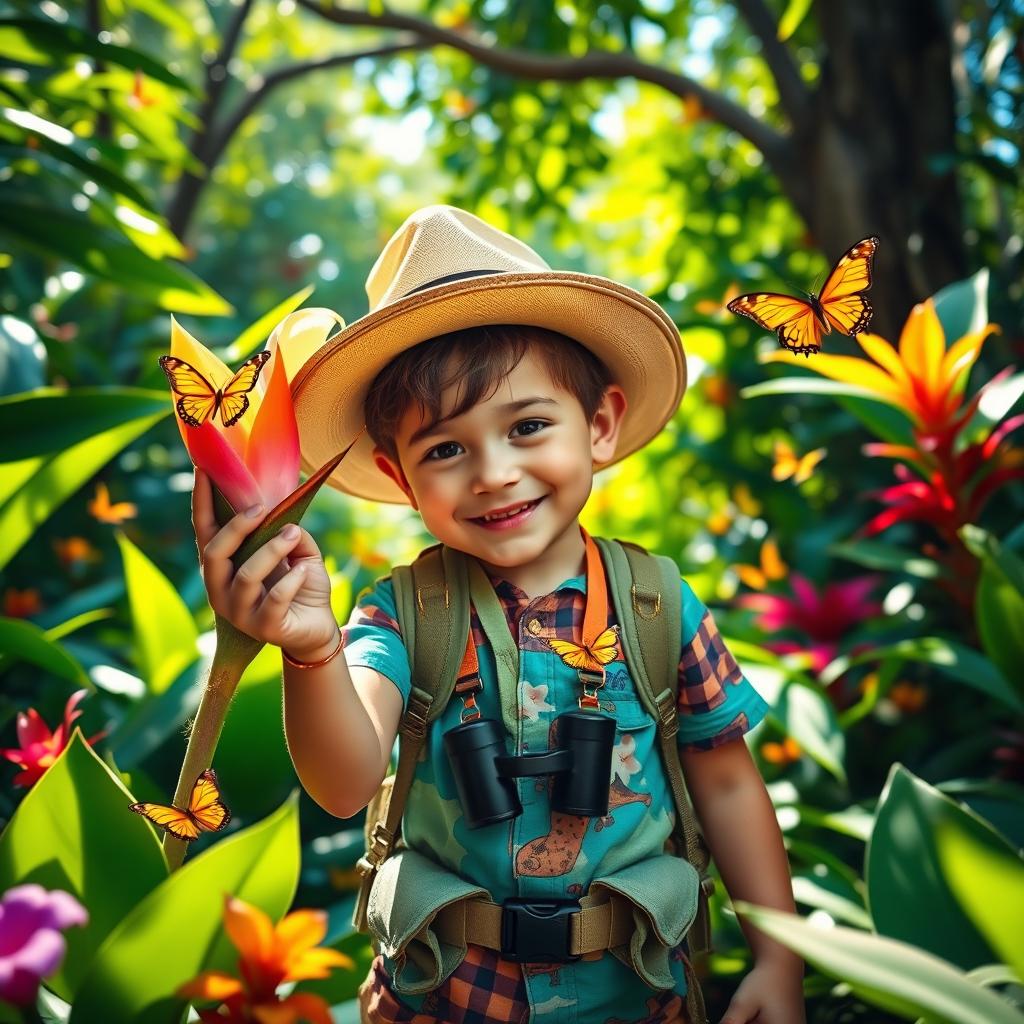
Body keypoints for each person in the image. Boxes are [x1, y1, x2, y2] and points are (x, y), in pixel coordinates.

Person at [192, 205, 806, 1024]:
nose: (493, 472)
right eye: (445, 449)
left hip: (636, 995)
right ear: (400, 476)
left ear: (599, 424)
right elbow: (342, 786)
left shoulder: (657, 604)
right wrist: (308, 647)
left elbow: (727, 783)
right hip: (441, 997)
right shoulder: (405, 616)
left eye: (527, 427)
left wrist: (781, 957)